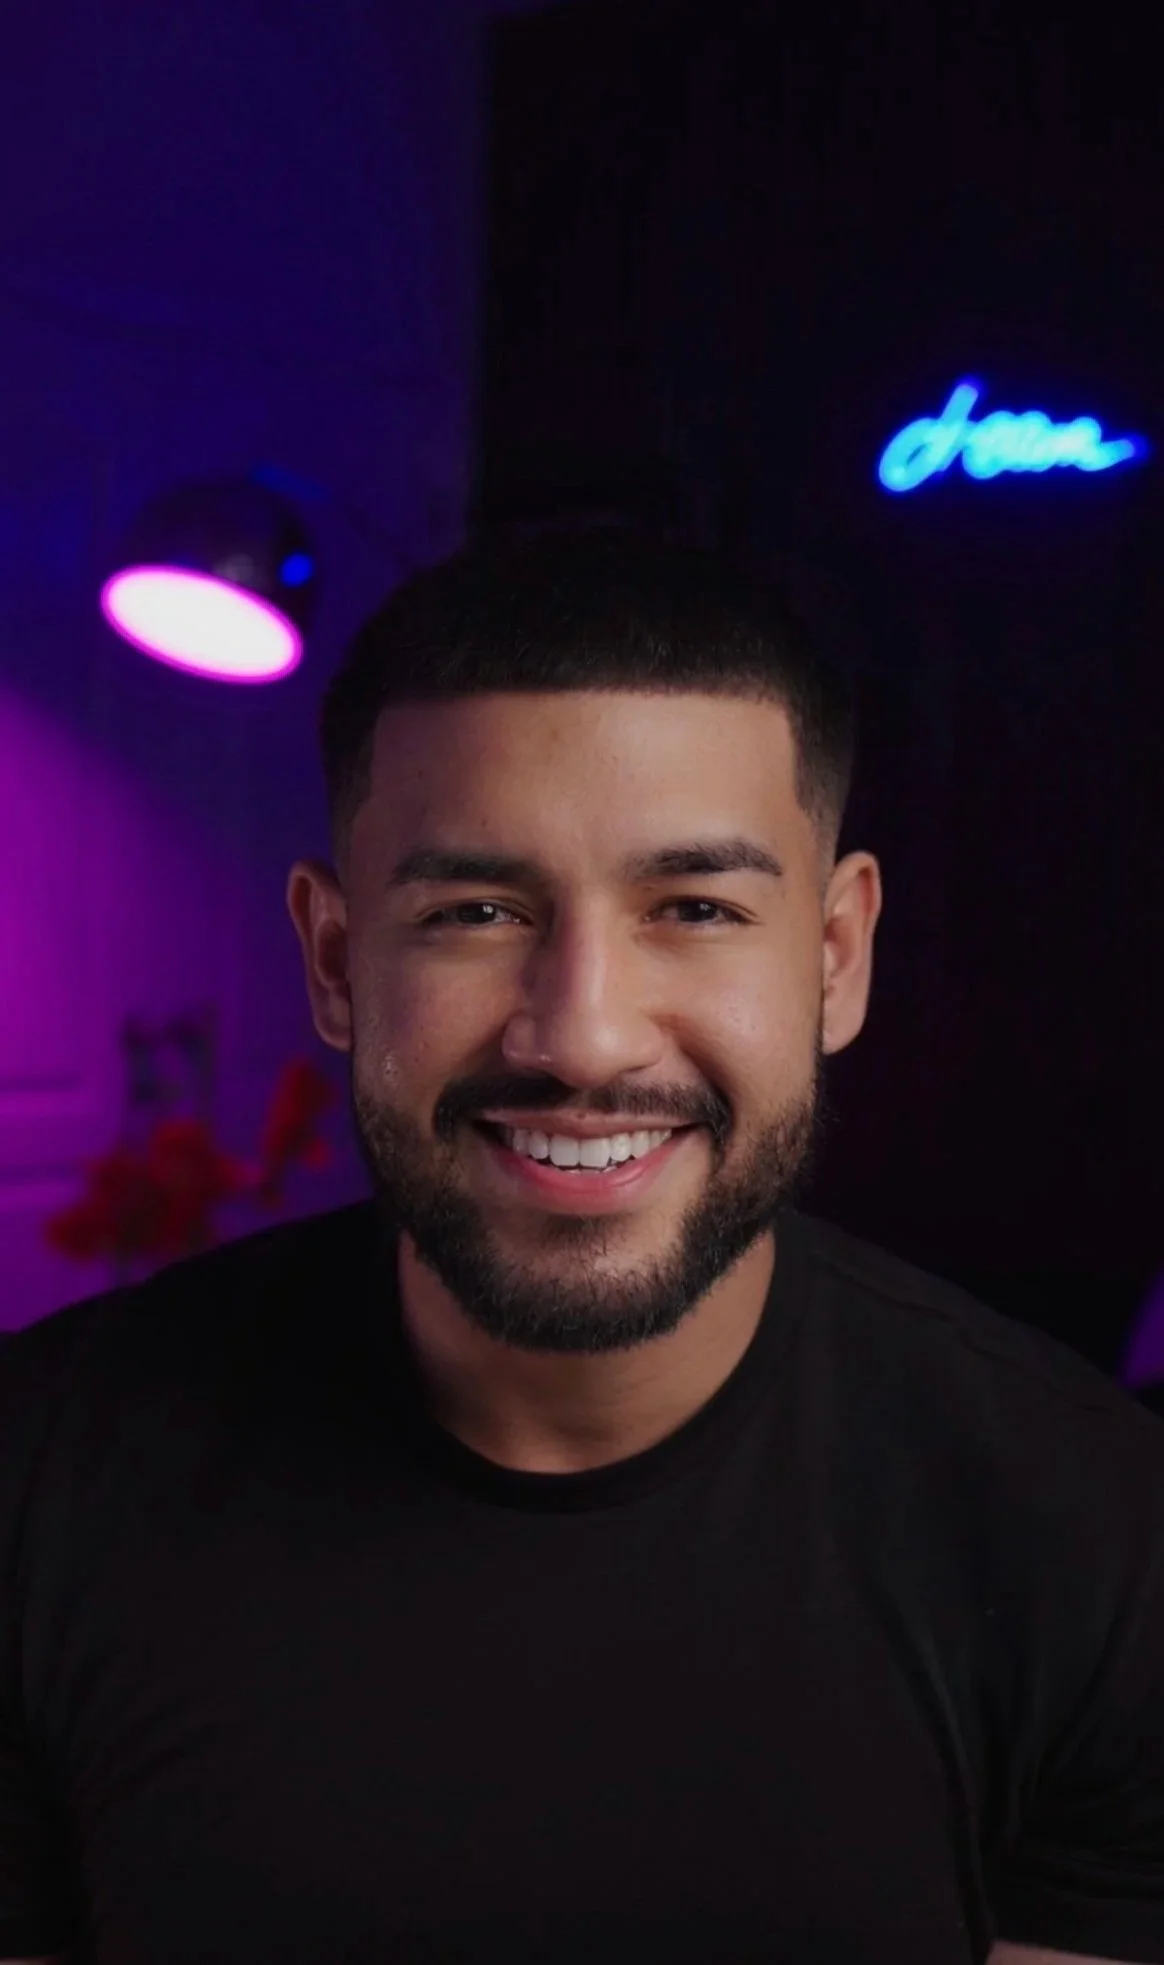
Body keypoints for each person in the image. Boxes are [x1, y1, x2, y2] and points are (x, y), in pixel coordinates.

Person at [2, 530, 1163, 1965]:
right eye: (476, 913)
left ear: (837, 955)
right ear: (333, 961)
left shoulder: (1098, 1531)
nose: (584, 1035)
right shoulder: (35, 1484)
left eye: (695, 910)